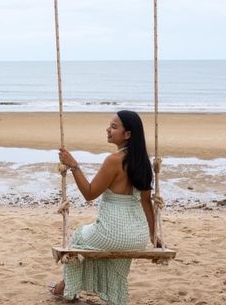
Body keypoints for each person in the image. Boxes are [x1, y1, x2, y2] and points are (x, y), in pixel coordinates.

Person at [48, 110, 159, 305]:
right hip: (138, 237)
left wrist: (74, 166)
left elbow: (89, 193)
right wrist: (153, 235)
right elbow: (146, 201)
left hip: (113, 233)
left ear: (128, 134)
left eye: (114, 127)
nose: (108, 130)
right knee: (92, 245)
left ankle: (69, 290)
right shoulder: (143, 162)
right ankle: (64, 286)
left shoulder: (114, 161)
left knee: (78, 238)